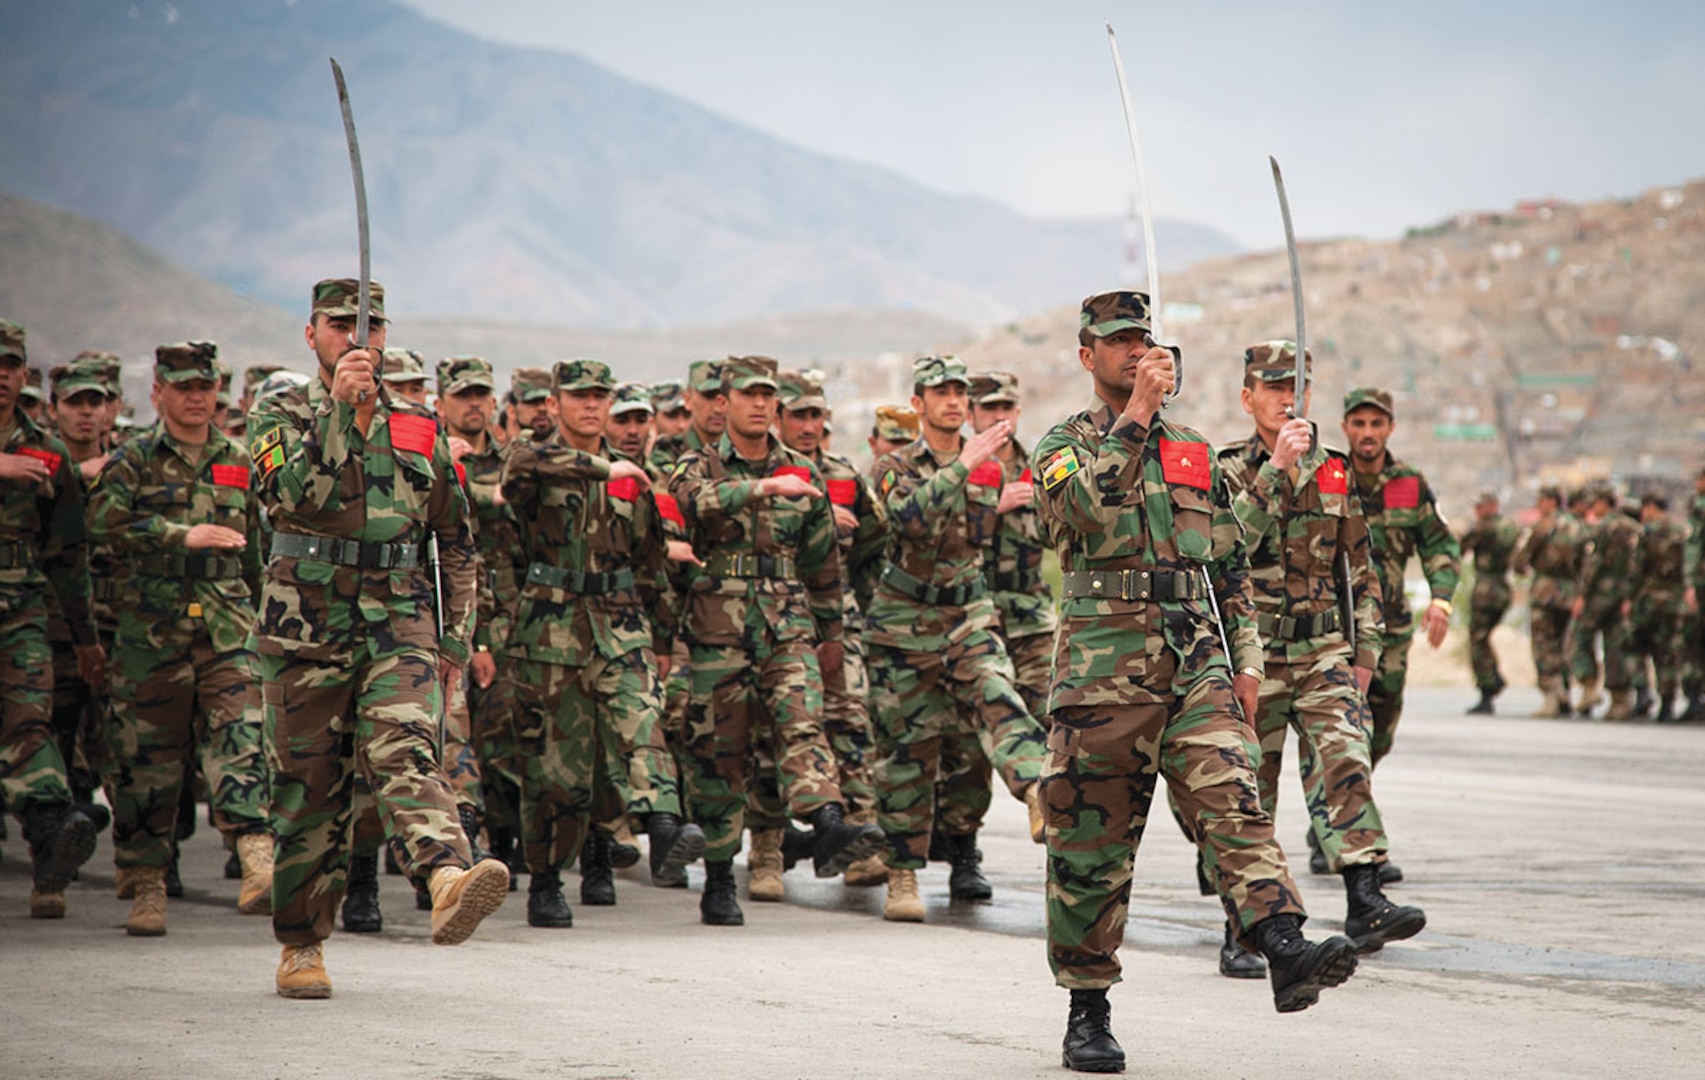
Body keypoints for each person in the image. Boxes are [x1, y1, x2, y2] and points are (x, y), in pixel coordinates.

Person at [1037, 294, 1362, 1071]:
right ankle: (1088, 1007)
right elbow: (1073, 518)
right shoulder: (1064, 443)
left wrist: (1245, 657)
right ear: (1088, 357)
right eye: (1116, 344)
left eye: (1141, 341)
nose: (1133, 354)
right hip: (1101, 675)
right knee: (1092, 848)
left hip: (1193, 661)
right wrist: (1136, 416)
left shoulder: (1192, 450)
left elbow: (1226, 555)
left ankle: (1281, 944)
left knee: (1236, 801)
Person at [248, 279, 509, 1000]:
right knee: (310, 792)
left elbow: (456, 542)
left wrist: (454, 640)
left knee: (406, 747)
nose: (356, 336)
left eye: (370, 325)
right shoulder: (278, 414)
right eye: (339, 324)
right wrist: (341, 413)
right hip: (304, 629)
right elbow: (292, 498)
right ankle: (301, 942)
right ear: (311, 335)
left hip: (399, 622)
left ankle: (448, 876)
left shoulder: (419, 425)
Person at [1218, 340, 1423, 959]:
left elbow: (1358, 567)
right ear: (1248, 397)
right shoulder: (1225, 467)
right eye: (1274, 387)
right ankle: (1245, 929)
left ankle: (1365, 900)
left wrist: (1367, 653)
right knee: (1250, 790)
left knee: (1345, 761)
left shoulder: (1333, 469)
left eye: (1297, 388)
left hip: (1324, 652)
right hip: (1254, 657)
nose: (1287, 398)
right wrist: (1275, 468)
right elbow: (1226, 547)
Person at [667, 355, 883, 927]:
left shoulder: (802, 473)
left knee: (802, 721)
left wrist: (832, 632)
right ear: (724, 402)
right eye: (749, 394)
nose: (760, 404)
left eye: (768, 396)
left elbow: (822, 562)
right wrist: (760, 487)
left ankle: (828, 819)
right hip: (718, 631)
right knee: (721, 754)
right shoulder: (700, 462)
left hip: (787, 625)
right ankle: (718, 876)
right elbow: (688, 501)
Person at [495, 360, 702, 926]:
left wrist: (661, 635)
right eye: (579, 396)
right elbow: (516, 483)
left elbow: (650, 561)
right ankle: (545, 879)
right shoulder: (530, 455)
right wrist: (606, 468)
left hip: (620, 622)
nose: (591, 406)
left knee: (644, 720)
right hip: (551, 629)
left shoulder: (633, 478)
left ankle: (662, 824)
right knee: (556, 772)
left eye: (599, 396)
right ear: (555, 401)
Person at [87, 341, 274, 935]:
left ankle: (257, 856)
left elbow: (254, 550)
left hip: (227, 626)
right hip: (153, 629)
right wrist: (178, 535)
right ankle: (147, 882)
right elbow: (102, 523)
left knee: (242, 734)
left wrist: (267, 621)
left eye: (206, 385)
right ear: (158, 392)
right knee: (149, 763)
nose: (197, 396)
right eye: (185, 386)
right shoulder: (135, 458)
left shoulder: (240, 459)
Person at [866, 355, 1048, 920]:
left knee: (999, 692)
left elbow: (988, 540)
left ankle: (1040, 790)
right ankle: (903, 874)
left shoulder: (991, 470)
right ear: (918, 404)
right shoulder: (894, 465)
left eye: (959, 393)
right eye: (939, 392)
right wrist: (964, 465)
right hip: (903, 623)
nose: (952, 401)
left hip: (968, 611)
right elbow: (911, 521)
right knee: (908, 753)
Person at [765, 369, 890, 894]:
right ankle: (767, 849)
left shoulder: (842, 474)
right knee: (774, 730)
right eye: (800, 415)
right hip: (774, 619)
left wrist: (857, 605)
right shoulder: (763, 473)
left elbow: (874, 539)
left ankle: (858, 839)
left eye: (818, 415)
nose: (810, 425)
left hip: (837, 621)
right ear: (778, 418)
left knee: (850, 721)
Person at [0, 319, 107, 919]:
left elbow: (69, 555)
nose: (1, 376)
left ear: (24, 375)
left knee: (30, 723)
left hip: (21, 612)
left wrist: (85, 637)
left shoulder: (46, 454)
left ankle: (50, 827)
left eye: (10, 365)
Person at [968, 371, 1058, 723]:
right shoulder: (955, 470)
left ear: (1018, 413)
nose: (999, 416)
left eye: (1006, 407)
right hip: (974, 617)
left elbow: (1061, 538)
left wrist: (1045, 506)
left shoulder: (1040, 468)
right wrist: (991, 504)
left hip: (1030, 616)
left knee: (1051, 723)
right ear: (970, 414)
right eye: (989, 408)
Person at [1513, 486, 1585, 718]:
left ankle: (1552, 697)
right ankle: (1565, 693)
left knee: (1544, 646)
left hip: (1545, 593)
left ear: (1550, 502)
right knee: (1563, 645)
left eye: (1541, 501)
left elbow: (1521, 559)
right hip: (1569, 593)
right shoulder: (1577, 526)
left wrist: (1523, 568)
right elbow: (1586, 563)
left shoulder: (1542, 526)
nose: (1538, 505)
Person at [1570, 487, 1641, 719]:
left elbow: (1593, 565)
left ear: (1603, 503)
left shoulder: (1602, 528)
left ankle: (1589, 685)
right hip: (1624, 595)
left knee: (1578, 638)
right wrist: (1631, 596)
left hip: (1600, 595)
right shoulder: (1634, 529)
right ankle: (1620, 700)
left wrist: (1581, 595)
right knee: (1615, 645)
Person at [1627, 493, 1687, 723]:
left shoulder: (1647, 533)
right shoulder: (1681, 532)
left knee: (1636, 647)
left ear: (1651, 508)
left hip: (1649, 600)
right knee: (1667, 652)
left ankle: (1643, 693)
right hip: (1674, 600)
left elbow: (1636, 570)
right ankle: (1668, 703)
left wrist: (1630, 599)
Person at [1460, 490, 1520, 715]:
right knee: (1483, 637)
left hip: (1486, 590)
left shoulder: (1483, 528)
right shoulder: (1510, 526)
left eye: (1480, 506)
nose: (1477, 511)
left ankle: (1488, 686)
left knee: (1477, 639)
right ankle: (1493, 679)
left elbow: (1459, 547)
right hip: (1503, 587)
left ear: (1491, 506)